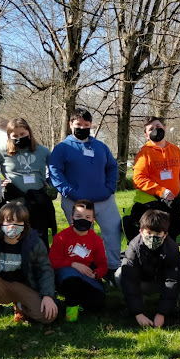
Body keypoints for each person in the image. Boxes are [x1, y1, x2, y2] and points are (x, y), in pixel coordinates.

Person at [0, 202, 58, 345]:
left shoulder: (35, 243)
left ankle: (21, 306)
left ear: (25, 224)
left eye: (18, 222)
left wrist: (48, 296)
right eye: (8, 221)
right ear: (0, 222)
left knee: (48, 316)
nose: (13, 226)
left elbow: (45, 269)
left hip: (24, 286)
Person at [49, 108, 122, 280]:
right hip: (75, 202)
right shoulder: (62, 148)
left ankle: (112, 269)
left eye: (86, 125)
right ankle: (87, 271)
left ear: (91, 126)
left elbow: (112, 167)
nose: (82, 128)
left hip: (104, 200)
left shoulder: (100, 147)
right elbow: (55, 171)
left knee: (113, 231)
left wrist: (109, 188)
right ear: (71, 124)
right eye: (78, 124)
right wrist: (68, 191)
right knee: (82, 237)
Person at [0, 118, 57, 249]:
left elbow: (56, 170)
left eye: (22, 134)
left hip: (38, 203)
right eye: (15, 136)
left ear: (29, 132)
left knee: (39, 240)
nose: (19, 138)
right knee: (15, 239)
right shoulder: (3, 150)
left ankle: (40, 261)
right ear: (9, 136)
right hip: (14, 204)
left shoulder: (43, 151)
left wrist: (51, 186)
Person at [124, 116, 180, 241]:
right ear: (146, 135)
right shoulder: (144, 153)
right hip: (150, 204)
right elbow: (139, 179)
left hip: (173, 203)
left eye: (158, 127)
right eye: (151, 129)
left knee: (175, 230)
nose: (155, 130)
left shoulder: (175, 150)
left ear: (164, 128)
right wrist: (161, 191)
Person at [119, 209, 180, 328]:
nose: (153, 238)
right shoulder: (133, 247)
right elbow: (130, 280)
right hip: (142, 282)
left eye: (158, 235)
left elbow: (172, 280)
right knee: (120, 274)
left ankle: (176, 304)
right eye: (149, 233)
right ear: (141, 231)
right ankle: (132, 305)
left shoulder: (172, 249)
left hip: (161, 282)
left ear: (165, 235)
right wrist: (138, 313)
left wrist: (162, 313)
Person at [49, 199, 108, 321]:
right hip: (65, 275)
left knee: (97, 304)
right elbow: (53, 261)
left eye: (87, 217)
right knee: (72, 281)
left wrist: (96, 274)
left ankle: (78, 302)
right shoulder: (60, 237)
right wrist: (73, 264)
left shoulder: (96, 240)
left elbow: (102, 264)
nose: (83, 220)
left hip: (86, 276)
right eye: (79, 216)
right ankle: (71, 312)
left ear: (93, 220)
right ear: (72, 219)